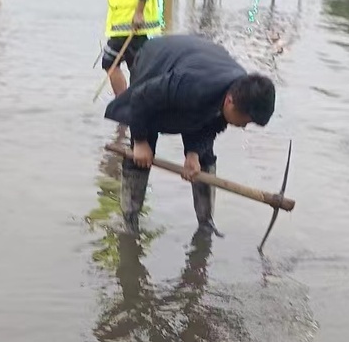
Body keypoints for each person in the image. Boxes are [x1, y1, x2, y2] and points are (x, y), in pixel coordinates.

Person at [104, 33, 276, 233]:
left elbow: (211, 126)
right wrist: (141, 141)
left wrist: (193, 154)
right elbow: (142, 98)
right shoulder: (190, 85)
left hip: (195, 62)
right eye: (246, 121)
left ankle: (206, 222)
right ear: (230, 102)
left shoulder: (240, 88)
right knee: (143, 147)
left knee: (203, 156)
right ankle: (129, 220)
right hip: (155, 64)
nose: (245, 126)